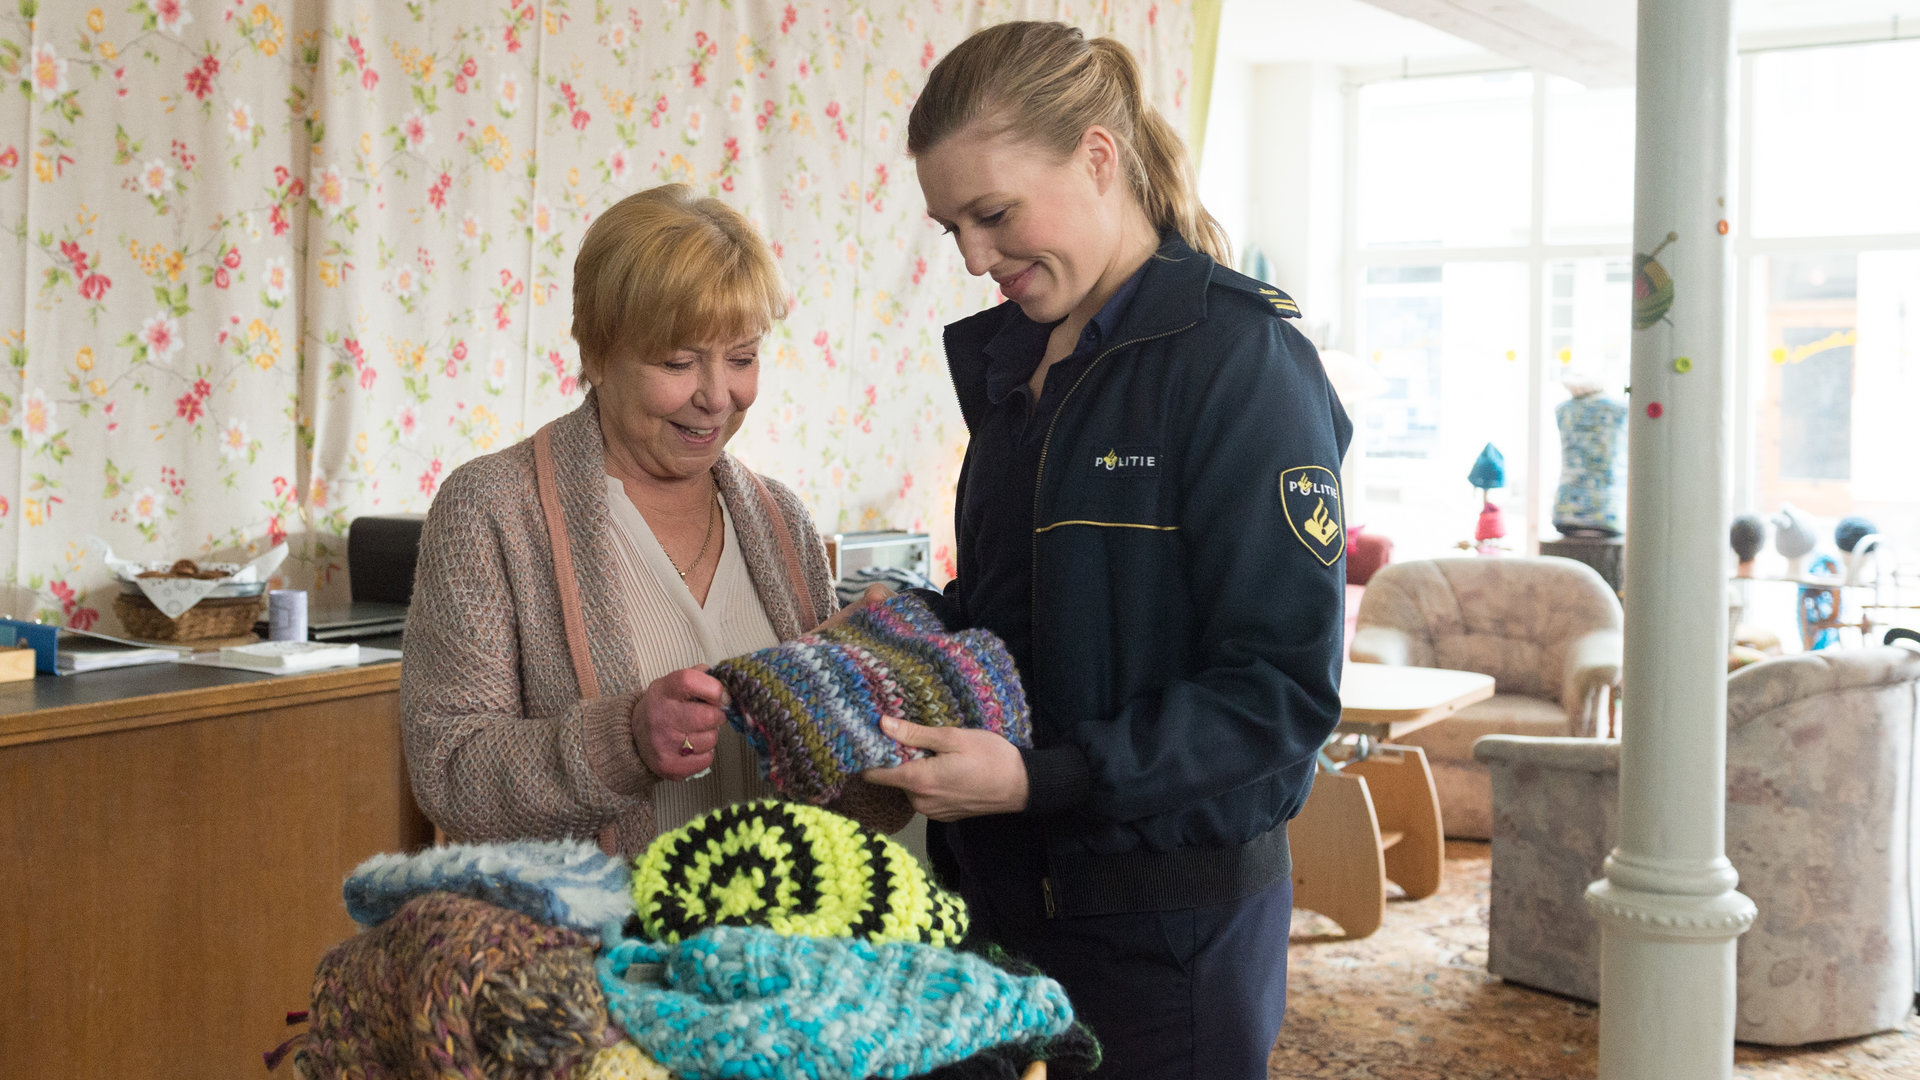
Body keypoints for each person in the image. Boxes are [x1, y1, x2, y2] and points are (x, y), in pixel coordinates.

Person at [862, 21, 1351, 1080]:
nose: (975, 259)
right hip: (988, 908)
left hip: (1166, 934)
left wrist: (1045, 781)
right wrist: (892, 638)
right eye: (952, 228)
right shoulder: (1012, 366)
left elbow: (1278, 692)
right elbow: (1017, 615)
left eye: (993, 216)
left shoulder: (1243, 363)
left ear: (1097, 156)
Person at [402, 183, 895, 857]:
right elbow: (451, 774)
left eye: (743, 357)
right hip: (598, 955)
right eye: (678, 361)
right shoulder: (492, 510)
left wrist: (867, 702)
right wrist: (626, 740)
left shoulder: (781, 521)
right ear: (597, 356)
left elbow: (861, 811)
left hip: (777, 951)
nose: (718, 396)